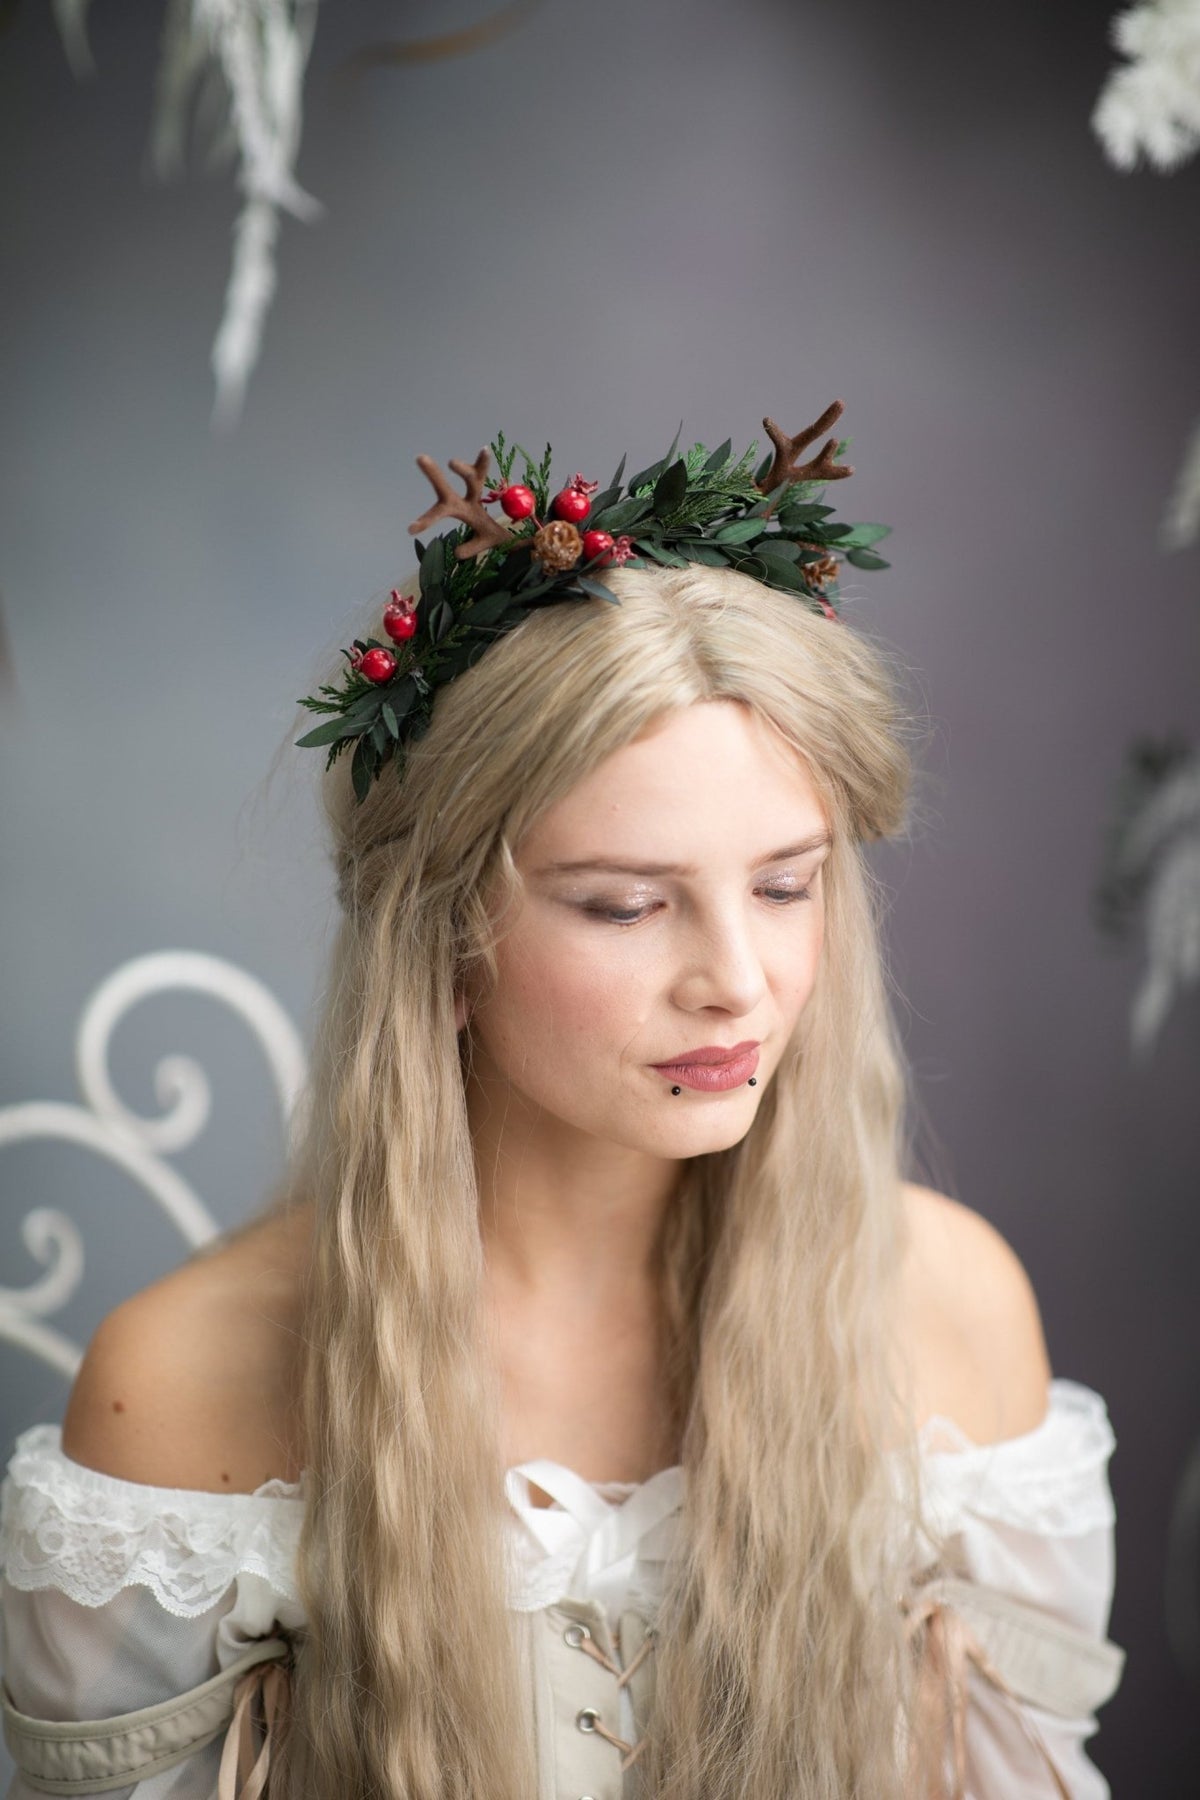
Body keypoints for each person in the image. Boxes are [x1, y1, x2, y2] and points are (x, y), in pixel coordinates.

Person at [0, 417, 1123, 1800]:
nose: (738, 982)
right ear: (441, 939)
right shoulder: (183, 1385)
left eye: (786, 885)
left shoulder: (949, 1312)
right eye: (627, 905)